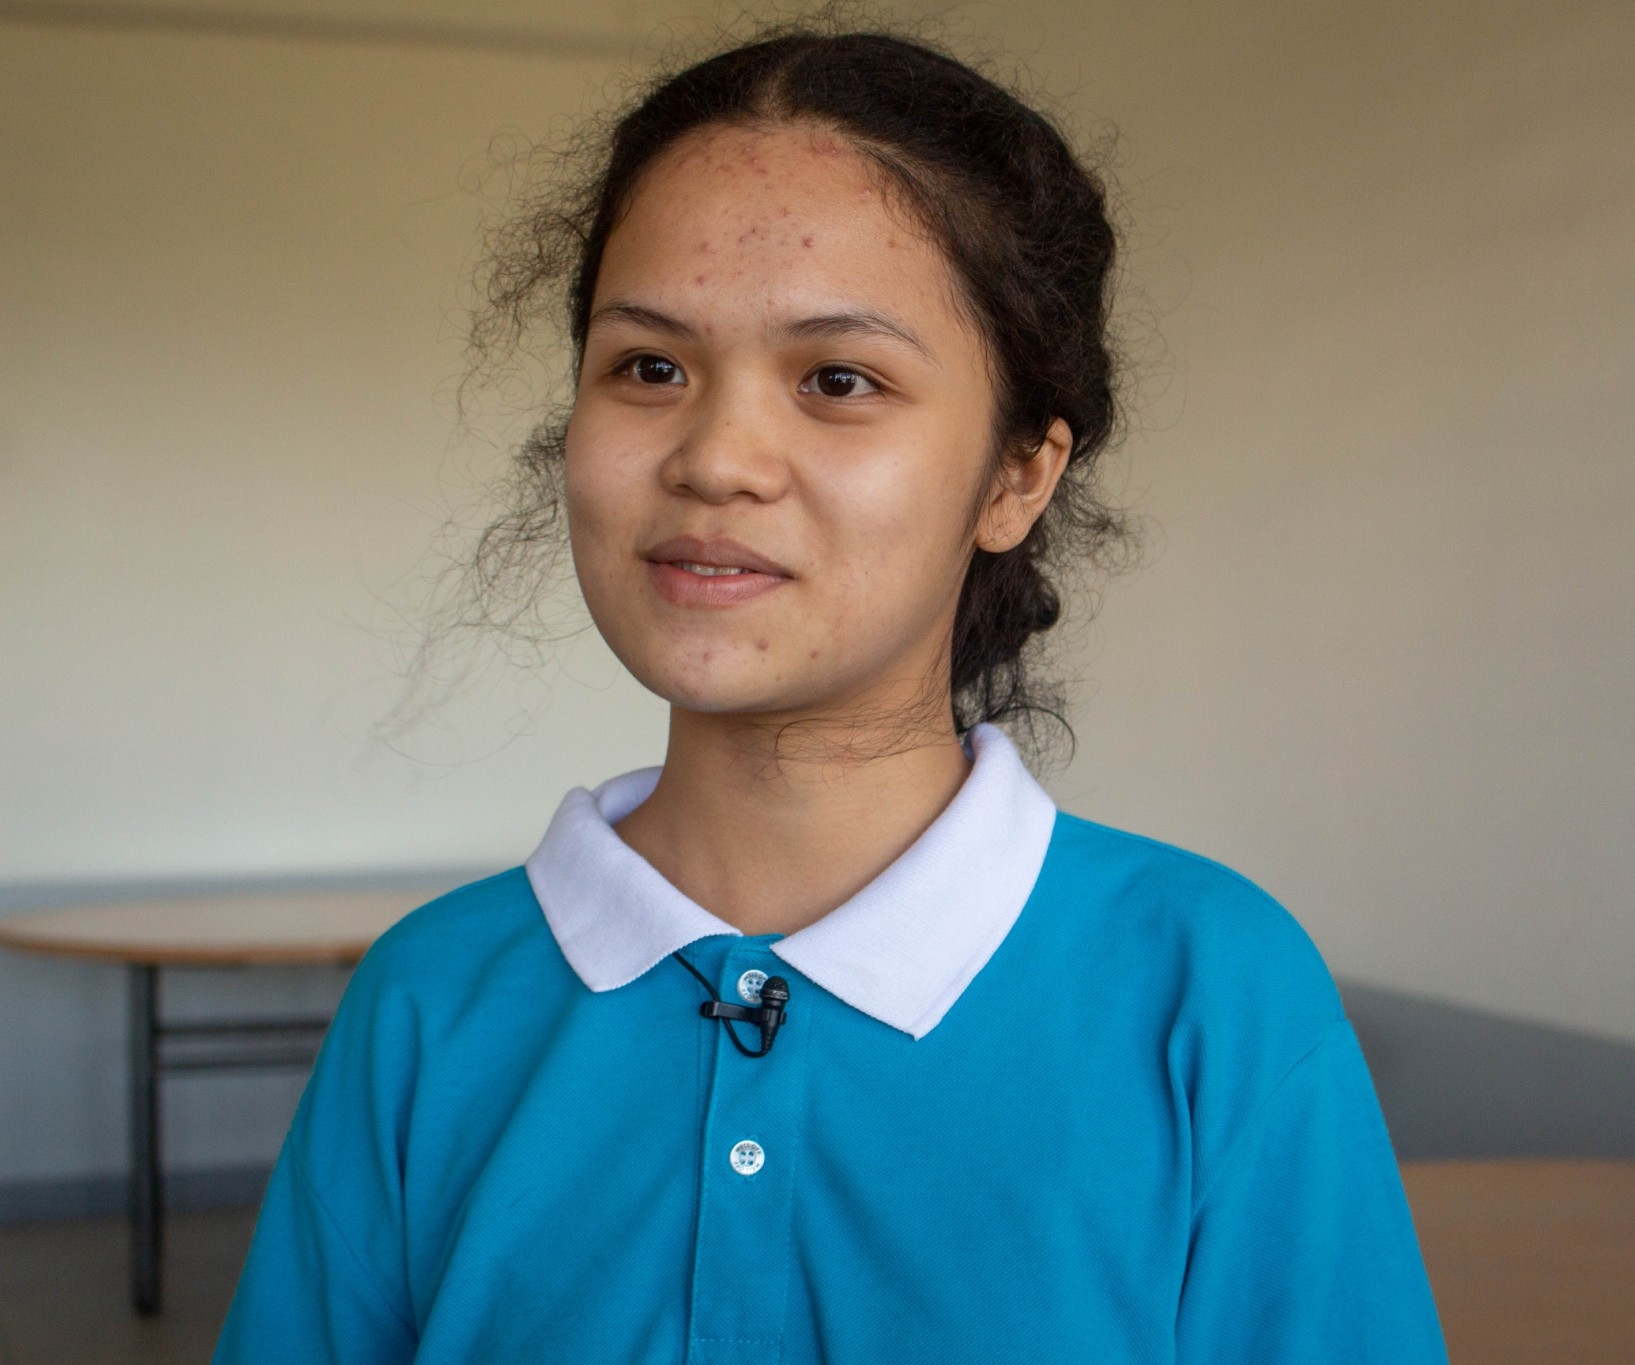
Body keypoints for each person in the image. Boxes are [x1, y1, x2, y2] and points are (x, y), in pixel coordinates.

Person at [215, 24, 1445, 1364]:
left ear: (1016, 478)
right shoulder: (429, 1003)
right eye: (649, 366)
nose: (719, 456)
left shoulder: (1211, 995)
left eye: (840, 379)